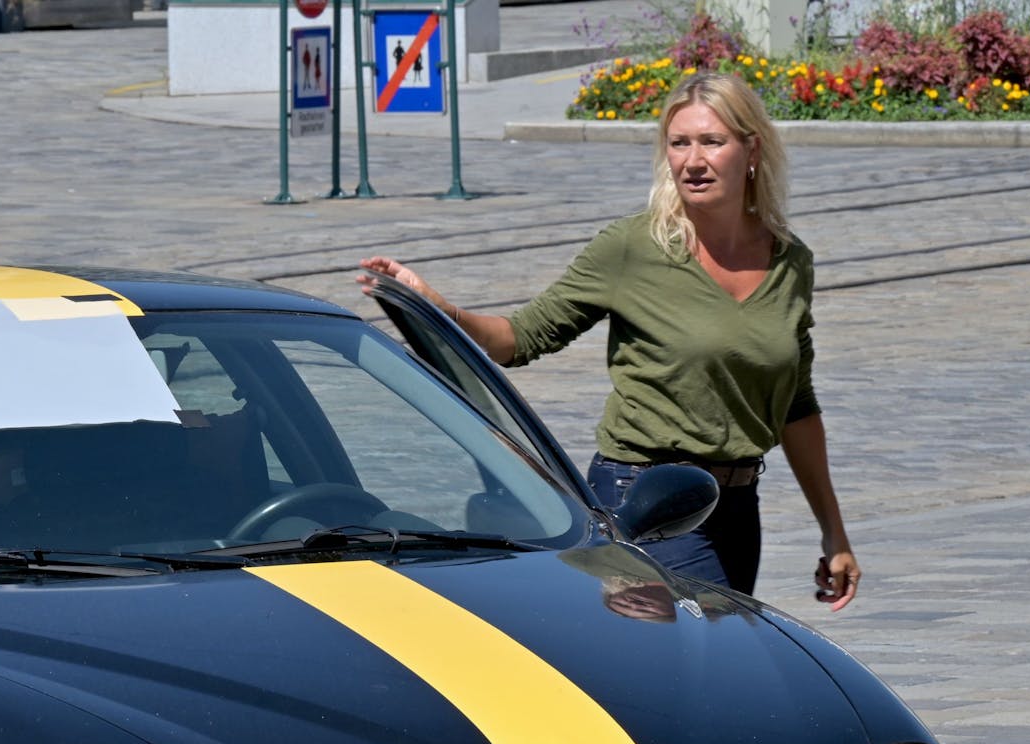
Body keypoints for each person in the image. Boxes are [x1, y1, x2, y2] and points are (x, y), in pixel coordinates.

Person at [357, 71, 859, 610]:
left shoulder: (789, 261)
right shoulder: (633, 248)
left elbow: (797, 406)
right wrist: (440, 308)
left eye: (712, 142)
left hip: (737, 506)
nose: (693, 160)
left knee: (707, 673)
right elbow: (520, 338)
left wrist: (834, 532)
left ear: (751, 149)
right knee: (690, 661)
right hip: (647, 501)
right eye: (678, 143)